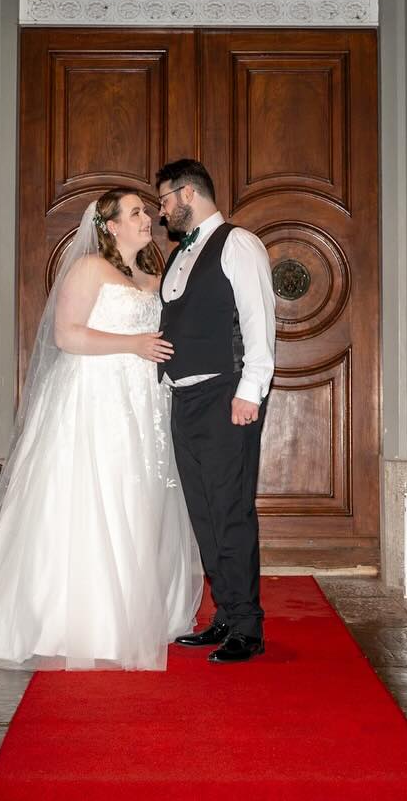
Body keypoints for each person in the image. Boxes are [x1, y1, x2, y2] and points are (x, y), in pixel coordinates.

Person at [0, 189, 202, 671]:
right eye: (136, 212)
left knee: (138, 503)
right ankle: (80, 622)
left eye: (146, 210)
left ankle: (132, 616)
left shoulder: (153, 277)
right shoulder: (89, 269)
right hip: (96, 401)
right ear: (111, 226)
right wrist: (132, 343)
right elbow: (67, 334)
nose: (147, 218)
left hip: (144, 406)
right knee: (95, 501)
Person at [154, 159, 276, 664]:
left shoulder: (238, 243)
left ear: (187, 194)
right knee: (204, 514)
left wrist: (250, 391)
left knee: (230, 511)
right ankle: (225, 614)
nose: (161, 212)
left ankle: (248, 626)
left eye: (164, 200)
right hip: (184, 399)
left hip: (227, 396)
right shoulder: (178, 254)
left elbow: (258, 320)